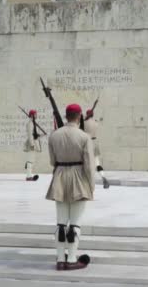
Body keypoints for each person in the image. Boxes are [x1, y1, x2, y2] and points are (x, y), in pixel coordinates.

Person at [45, 104, 94, 271]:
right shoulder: (84, 136)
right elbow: (89, 165)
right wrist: (91, 186)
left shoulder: (54, 135)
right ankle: (72, 259)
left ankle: (60, 259)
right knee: (75, 224)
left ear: (66, 116)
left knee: (60, 223)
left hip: (59, 177)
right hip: (79, 178)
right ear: (79, 116)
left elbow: (52, 161)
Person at [85, 108, 109, 189]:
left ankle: (88, 182)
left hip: (87, 143)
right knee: (97, 163)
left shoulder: (85, 123)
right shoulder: (96, 122)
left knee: (87, 164)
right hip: (95, 142)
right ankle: (103, 177)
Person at [23, 109, 41, 181]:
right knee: (30, 160)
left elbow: (33, 134)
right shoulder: (30, 123)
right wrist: (32, 144)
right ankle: (29, 176)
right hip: (32, 143)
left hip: (33, 142)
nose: (36, 115)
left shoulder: (33, 123)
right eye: (35, 114)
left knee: (31, 160)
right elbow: (30, 135)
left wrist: (38, 135)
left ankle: (28, 169)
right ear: (32, 115)